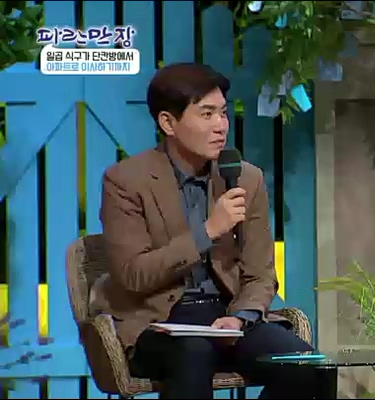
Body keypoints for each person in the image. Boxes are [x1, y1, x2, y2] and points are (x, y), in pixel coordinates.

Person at [92, 62, 317, 399]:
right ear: (168, 123)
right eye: (207, 114)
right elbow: (133, 275)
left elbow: (261, 274)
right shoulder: (126, 181)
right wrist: (208, 231)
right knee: (194, 353)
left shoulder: (245, 178)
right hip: (160, 321)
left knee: (305, 364)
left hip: (228, 315)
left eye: (223, 113)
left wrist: (240, 317)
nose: (221, 126)